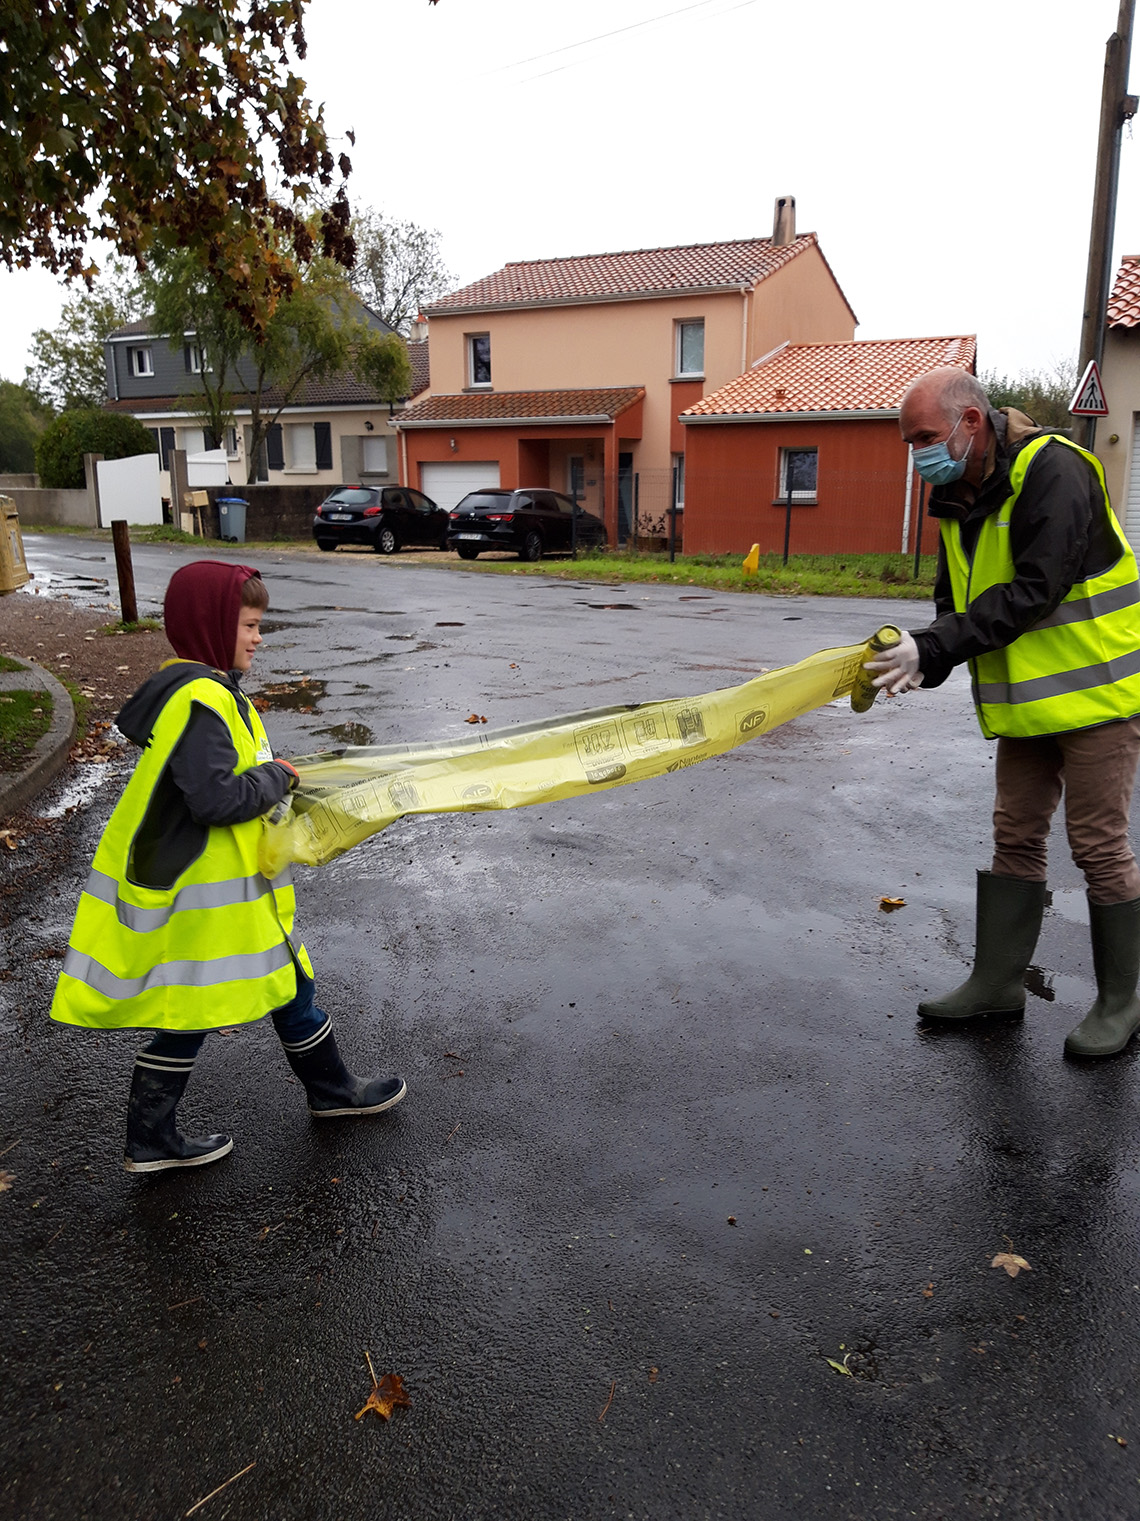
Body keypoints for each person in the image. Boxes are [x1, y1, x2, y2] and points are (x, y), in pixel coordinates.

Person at [50, 560, 406, 1171]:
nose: (258, 638)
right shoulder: (203, 699)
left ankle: (324, 1094)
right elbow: (216, 800)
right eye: (248, 625)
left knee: (276, 989)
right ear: (213, 624)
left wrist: (272, 779)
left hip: (222, 894)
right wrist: (278, 776)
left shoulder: (199, 691)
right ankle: (163, 1136)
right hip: (210, 899)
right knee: (207, 1008)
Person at [866, 366, 1140, 1057]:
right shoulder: (955, 491)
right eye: (909, 442)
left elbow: (1035, 590)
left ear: (971, 422)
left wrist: (936, 646)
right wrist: (923, 658)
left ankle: (1121, 1001)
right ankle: (997, 983)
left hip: (1100, 694)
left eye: (924, 437)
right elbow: (953, 601)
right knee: (1014, 835)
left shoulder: (1054, 470)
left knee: (1098, 845)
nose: (917, 453)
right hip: (1029, 701)